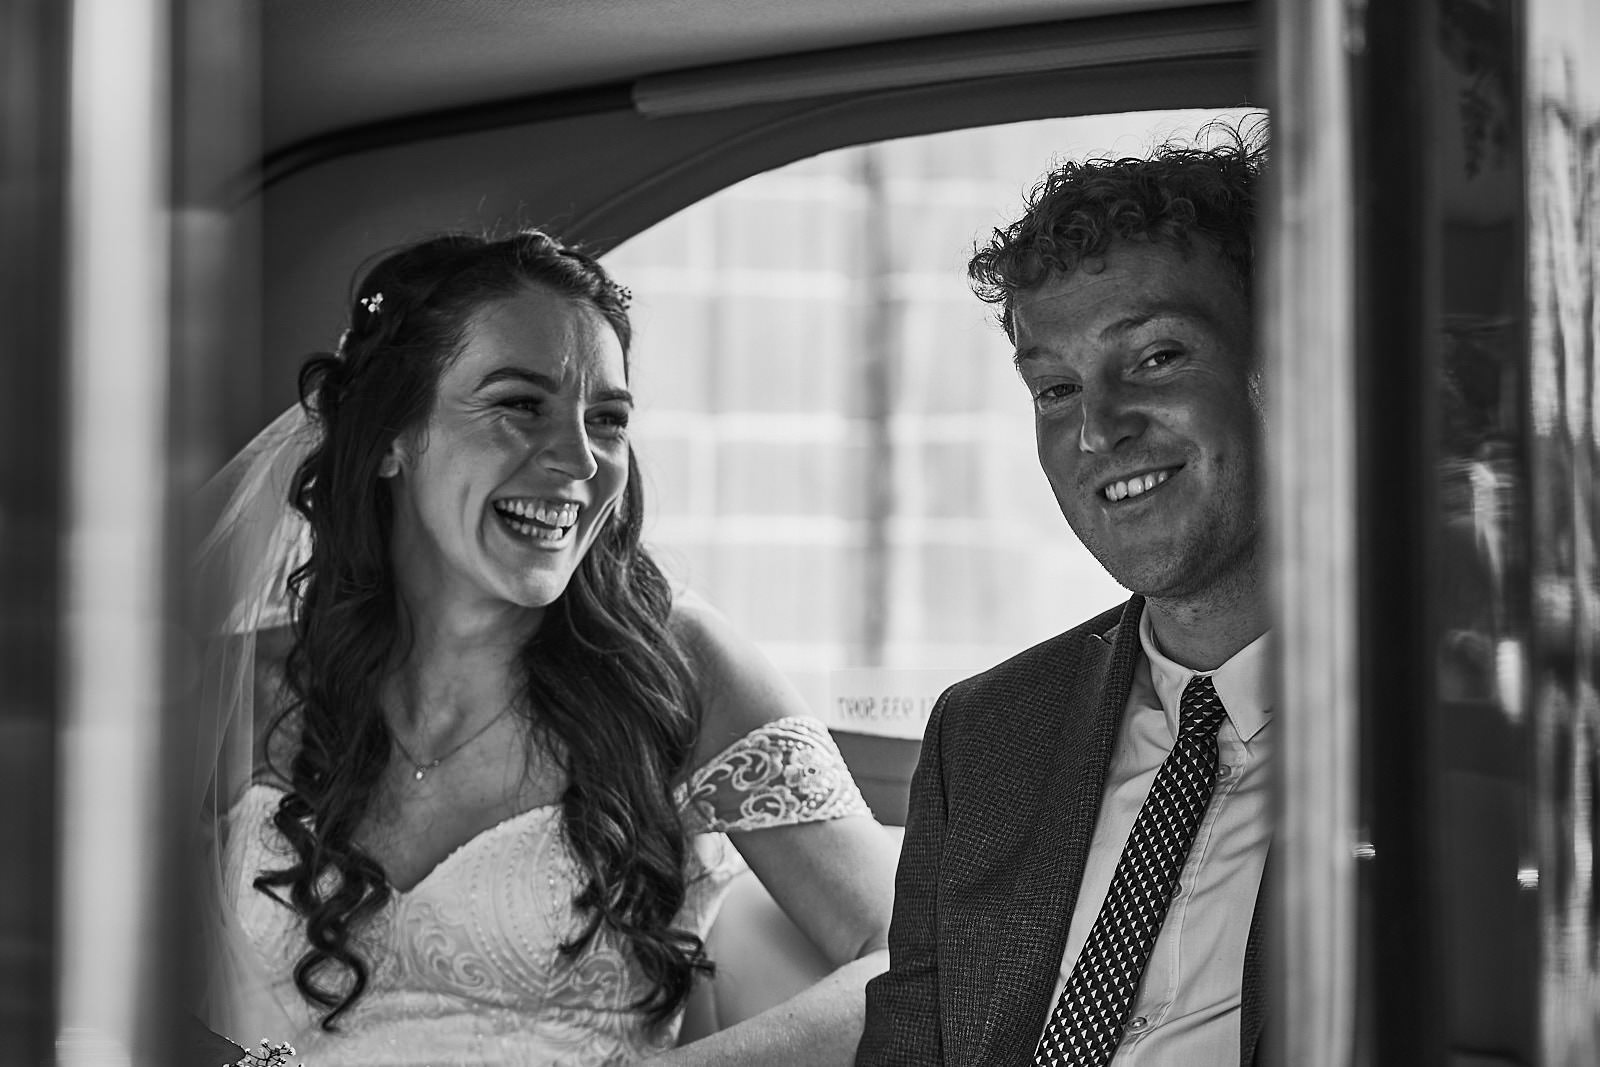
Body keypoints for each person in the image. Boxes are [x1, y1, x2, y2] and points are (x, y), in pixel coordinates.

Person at [197, 229, 896, 1066]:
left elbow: (911, 955)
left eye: (607, 419)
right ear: (392, 435)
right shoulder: (247, 687)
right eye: (520, 404)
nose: (579, 458)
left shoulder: (680, 670)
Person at [855, 120, 1271, 1066]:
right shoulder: (986, 736)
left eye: (1157, 357)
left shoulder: (1456, 727)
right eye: (1054, 389)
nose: (1097, 429)